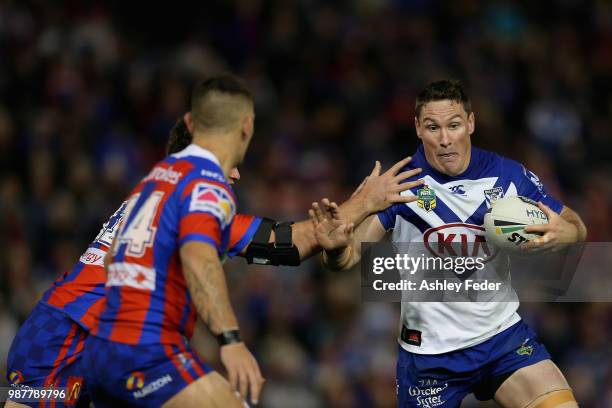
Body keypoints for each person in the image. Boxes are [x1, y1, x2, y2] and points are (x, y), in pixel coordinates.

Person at [5, 77, 423, 407]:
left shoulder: (160, 186)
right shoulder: (204, 186)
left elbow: (288, 242)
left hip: (62, 329)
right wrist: (231, 341)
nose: (237, 175)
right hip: (91, 333)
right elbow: (201, 257)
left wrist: (361, 203)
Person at [314, 80, 587, 408]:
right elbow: (347, 257)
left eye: (454, 125)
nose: (445, 140)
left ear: (470, 123)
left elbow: (575, 225)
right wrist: (334, 248)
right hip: (430, 358)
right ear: (418, 128)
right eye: (433, 127)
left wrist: (566, 234)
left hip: (502, 339)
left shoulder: (508, 175)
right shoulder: (398, 185)